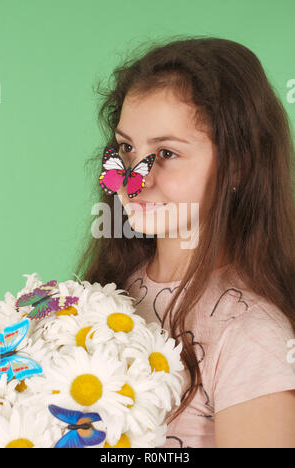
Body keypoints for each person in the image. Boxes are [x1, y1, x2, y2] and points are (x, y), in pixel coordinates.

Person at [74, 36, 295, 448]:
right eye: (127, 148)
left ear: (239, 165)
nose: (134, 179)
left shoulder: (254, 337)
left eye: (166, 153)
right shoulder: (108, 288)